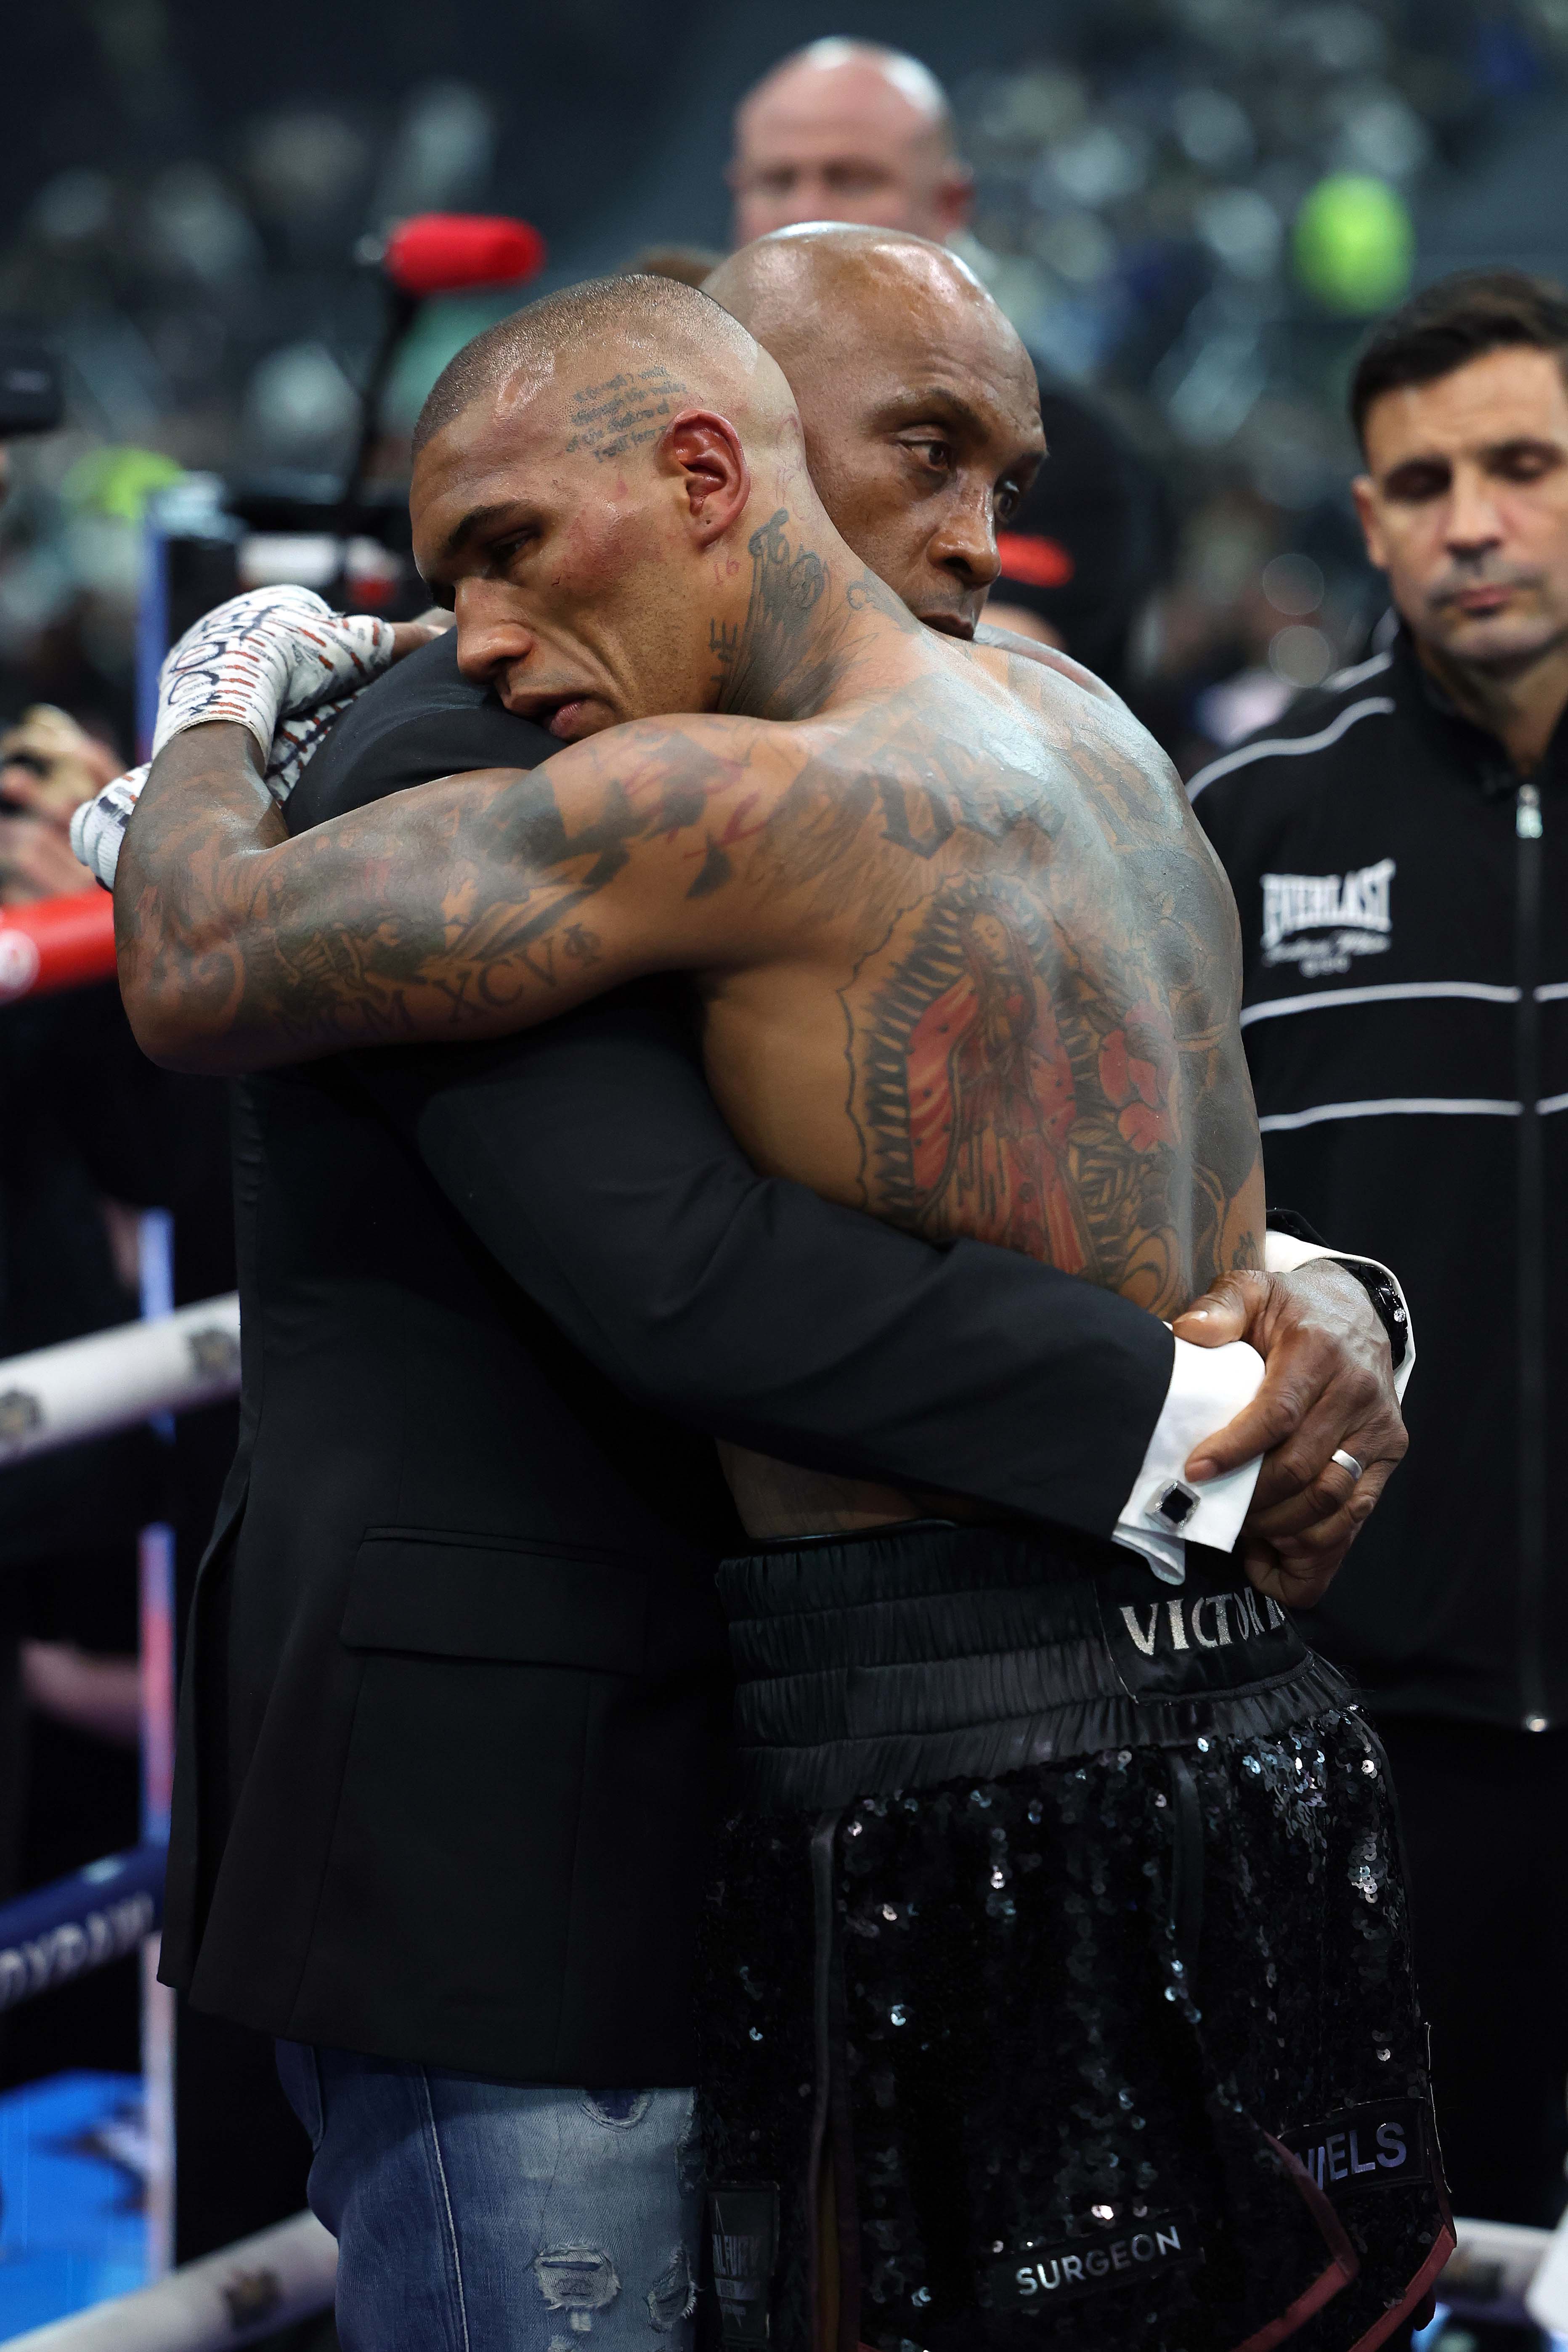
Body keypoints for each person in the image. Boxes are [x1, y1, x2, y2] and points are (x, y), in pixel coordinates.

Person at [108, 273, 1442, 2351]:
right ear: (741, 447)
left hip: (926, 1749)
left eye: (996, 467)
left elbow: (203, 958)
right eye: (921, 448)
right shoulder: (1079, 732)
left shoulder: (752, 788)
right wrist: (1228, 1408)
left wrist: (199, 730)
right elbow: (739, 1261)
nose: (977, 534)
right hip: (1137, 1726)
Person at [1191, 267, 1568, 2246]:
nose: (1471, 521)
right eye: (1420, 483)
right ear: (1365, 521)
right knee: (1389, 2276)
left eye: (1521, 465)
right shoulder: (1243, 826)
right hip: (1369, 1752)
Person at [726, 38, 1168, 687]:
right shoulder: (662, 399)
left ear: (950, 205)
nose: (803, 211)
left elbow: (977, 680)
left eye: (852, 178)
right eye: (777, 180)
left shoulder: (1051, 449)